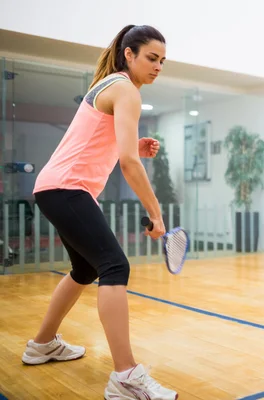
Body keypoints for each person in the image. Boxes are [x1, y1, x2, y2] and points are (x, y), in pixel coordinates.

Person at [21, 25, 178, 399]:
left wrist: (134, 145)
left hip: (54, 188)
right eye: (151, 58)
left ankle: (42, 344)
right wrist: (156, 213)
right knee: (115, 266)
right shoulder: (125, 89)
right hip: (68, 189)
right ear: (129, 54)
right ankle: (125, 376)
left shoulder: (108, 85)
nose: (158, 67)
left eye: (162, 61)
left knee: (86, 269)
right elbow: (127, 164)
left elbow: (99, 140)